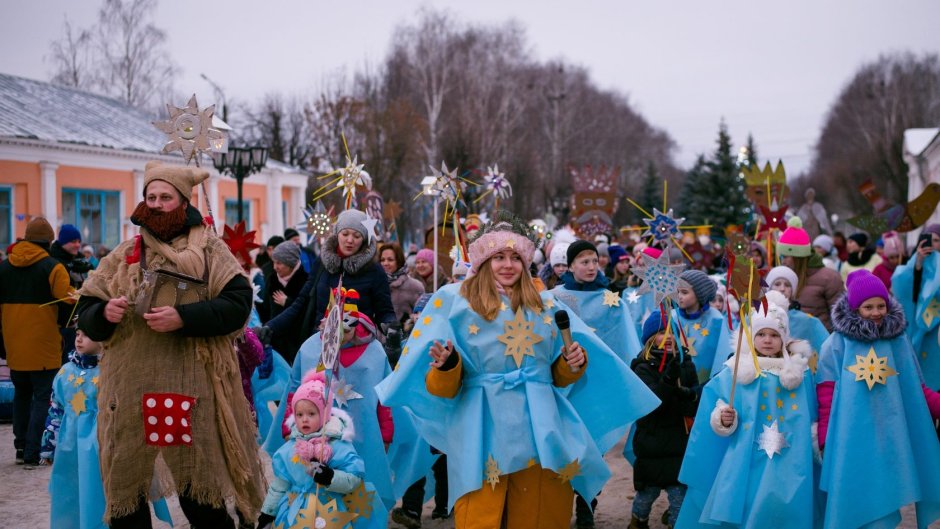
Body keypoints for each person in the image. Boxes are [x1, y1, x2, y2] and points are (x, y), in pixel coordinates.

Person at [376, 212, 660, 529]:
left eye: (515, 257)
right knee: (482, 511)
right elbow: (443, 388)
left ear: (526, 263)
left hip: (539, 424)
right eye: (499, 256)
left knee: (539, 508)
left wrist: (571, 363)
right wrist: (447, 365)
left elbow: (557, 376)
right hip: (481, 426)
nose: (507, 264)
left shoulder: (547, 306)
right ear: (484, 260)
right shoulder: (456, 304)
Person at [77, 161, 264, 528]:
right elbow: (85, 310)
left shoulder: (210, 249)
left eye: (166, 196)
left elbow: (238, 305)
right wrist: (104, 312)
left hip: (188, 387)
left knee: (199, 492)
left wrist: (184, 319)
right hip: (129, 393)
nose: (158, 203)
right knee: (127, 494)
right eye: (151, 196)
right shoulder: (123, 253)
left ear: (183, 201)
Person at [677, 300, 818, 529]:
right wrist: (723, 418)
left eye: (774, 334)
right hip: (746, 455)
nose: (768, 340)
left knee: (785, 502)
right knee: (749, 499)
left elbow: (810, 411)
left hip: (791, 456)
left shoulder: (797, 373)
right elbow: (719, 403)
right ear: (751, 336)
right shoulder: (737, 371)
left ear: (784, 338)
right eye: (761, 334)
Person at [816, 270, 940, 529]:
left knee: (887, 486)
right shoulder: (837, 344)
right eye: (868, 306)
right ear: (854, 308)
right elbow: (826, 391)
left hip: (892, 433)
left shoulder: (898, 340)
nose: (876, 312)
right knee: (858, 485)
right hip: (853, 435)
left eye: (881, 305)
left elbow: (915, 388)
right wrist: (825, 434)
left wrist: (936, 404)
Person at [40, 328, 174, 529]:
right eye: (77, 333)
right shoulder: (64, 372)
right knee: (74, 492)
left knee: (100, 493)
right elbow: (56, 410)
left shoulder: (112, 372)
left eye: (87, 333)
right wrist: (48, 446)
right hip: (71, 448)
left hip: (103, 446)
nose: (79, 338)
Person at [550, 239, 644, 528]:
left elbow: (624, 342)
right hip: (562, 387)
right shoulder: (554, 297)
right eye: (584, 261)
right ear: (571, 265)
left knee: (594, 449)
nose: (591, 267)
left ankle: (587, 505)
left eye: (594, 261)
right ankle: (561, 504)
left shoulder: (610, 299)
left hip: (598, 387)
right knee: (564, 449)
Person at [258, 370, 384, 529]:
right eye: (299, 414)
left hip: (330, 513)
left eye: (311, 413)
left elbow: (354, 478)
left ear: (324, 413)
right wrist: (267, 513)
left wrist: (330, 477)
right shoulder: (288, 449)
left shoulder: (338, 446)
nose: (304, 419)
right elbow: (280, 485)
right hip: (295, 513)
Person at [258, 209, 394, 353]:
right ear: (337, 234)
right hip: (321, 346)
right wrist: (270, 327)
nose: (350, 240)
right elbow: (301, 302)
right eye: (345, 234)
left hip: (359, 349)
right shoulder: (322, 263)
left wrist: (392, 329)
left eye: (357, 235)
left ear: (364, 239)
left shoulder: (374, 270)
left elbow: (385, 311)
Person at [0, 217, 74, 467]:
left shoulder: (4, 266)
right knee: (43, 397)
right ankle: (34, 451)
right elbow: (67, 304)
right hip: (44, 344)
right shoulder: (53, 267)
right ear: (48, 241)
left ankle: (21, 447)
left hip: (14, 343)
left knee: (22, 395)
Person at [629, 312, 699, 529]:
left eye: (672, 332)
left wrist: (689, 394)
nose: (668, 337)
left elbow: (694, 403)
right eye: (661, 332)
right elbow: (650, 405)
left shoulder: (685, 363)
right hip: (652, 442)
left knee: (679, 497)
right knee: (646, 496)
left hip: (679, 442)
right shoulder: (642, 366)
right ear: (651, 338)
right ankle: (637, 522)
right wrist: (668, 380)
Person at [892, 224, 940, 388]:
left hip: (935, 328)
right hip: (915, 324)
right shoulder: (914, 262)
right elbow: (904, 287)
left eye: (937, 240)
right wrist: (918, 263)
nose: (933, 244)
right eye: (929, 240)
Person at [777, 217, 844, 331]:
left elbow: (841, 317)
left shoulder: (829, 278)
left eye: (786, 256)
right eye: (781, 257)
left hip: (820, 343)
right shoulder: (782, 278)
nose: (783, 261)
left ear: (798, 256)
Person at [260, 241, 309, 364]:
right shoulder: (272, 280)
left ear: (290, 263)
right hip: (275, 341)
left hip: (297, 342)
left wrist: (288, 302)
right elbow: (265, 308)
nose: (275, 267)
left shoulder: (305, 281)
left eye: (279, 263)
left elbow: (307, 311)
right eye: (274, 262)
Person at [671, 269, 724, 383]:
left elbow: (722, 354)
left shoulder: (716, 320)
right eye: (678, 291)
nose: (679, 296)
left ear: (700, 294)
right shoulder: (672, 317)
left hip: (706, 384)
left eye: (684, 292)